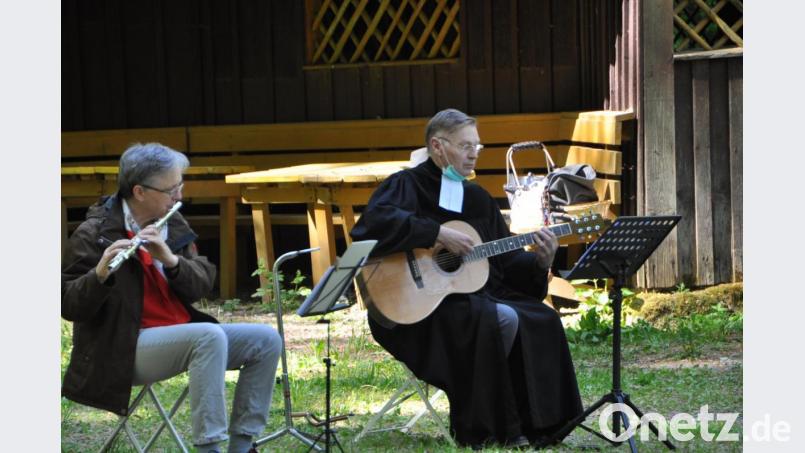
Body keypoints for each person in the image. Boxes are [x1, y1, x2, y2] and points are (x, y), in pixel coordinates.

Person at [350, 109, 583, 449]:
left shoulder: (477, 199)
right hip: (418, 309)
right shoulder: (407, 185)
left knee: (542, 318)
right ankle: (491, 429)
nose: (474, 152)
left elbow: (504, 262)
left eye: (477, 145)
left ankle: (543, 427)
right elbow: (373, 224)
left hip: (477, 295)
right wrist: (436, 232)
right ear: (437, 146)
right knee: (490, 320)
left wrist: (539, 261)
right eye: (465, 145)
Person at [61, 143, 282, 453]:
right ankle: (209, 448)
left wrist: (171, 260)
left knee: (265, 339)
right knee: (207, 336)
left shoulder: (170, 220)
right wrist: (98, 275)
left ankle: (243, 446)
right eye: (171, 189)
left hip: (178, 335)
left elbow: (202, 283)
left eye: (180, 185)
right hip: (123, 347)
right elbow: (69, 305)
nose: (179, 196)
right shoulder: (92, 234)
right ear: (139, 192)